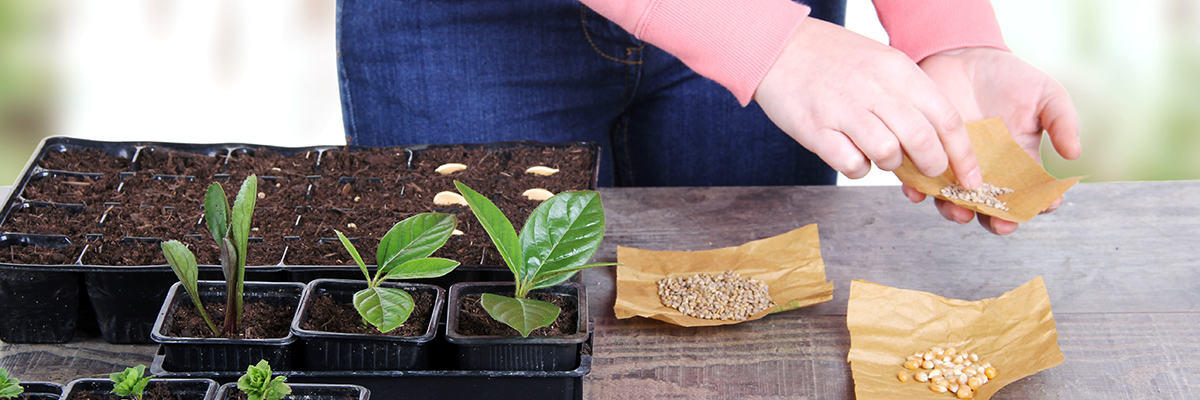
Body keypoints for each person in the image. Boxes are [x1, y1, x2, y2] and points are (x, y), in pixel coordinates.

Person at [335, 0, 1079, 235]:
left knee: (752, 349)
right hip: (464, 25)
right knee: (487, 349)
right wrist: (764, 45)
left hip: (780, 27)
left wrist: (946, 29)